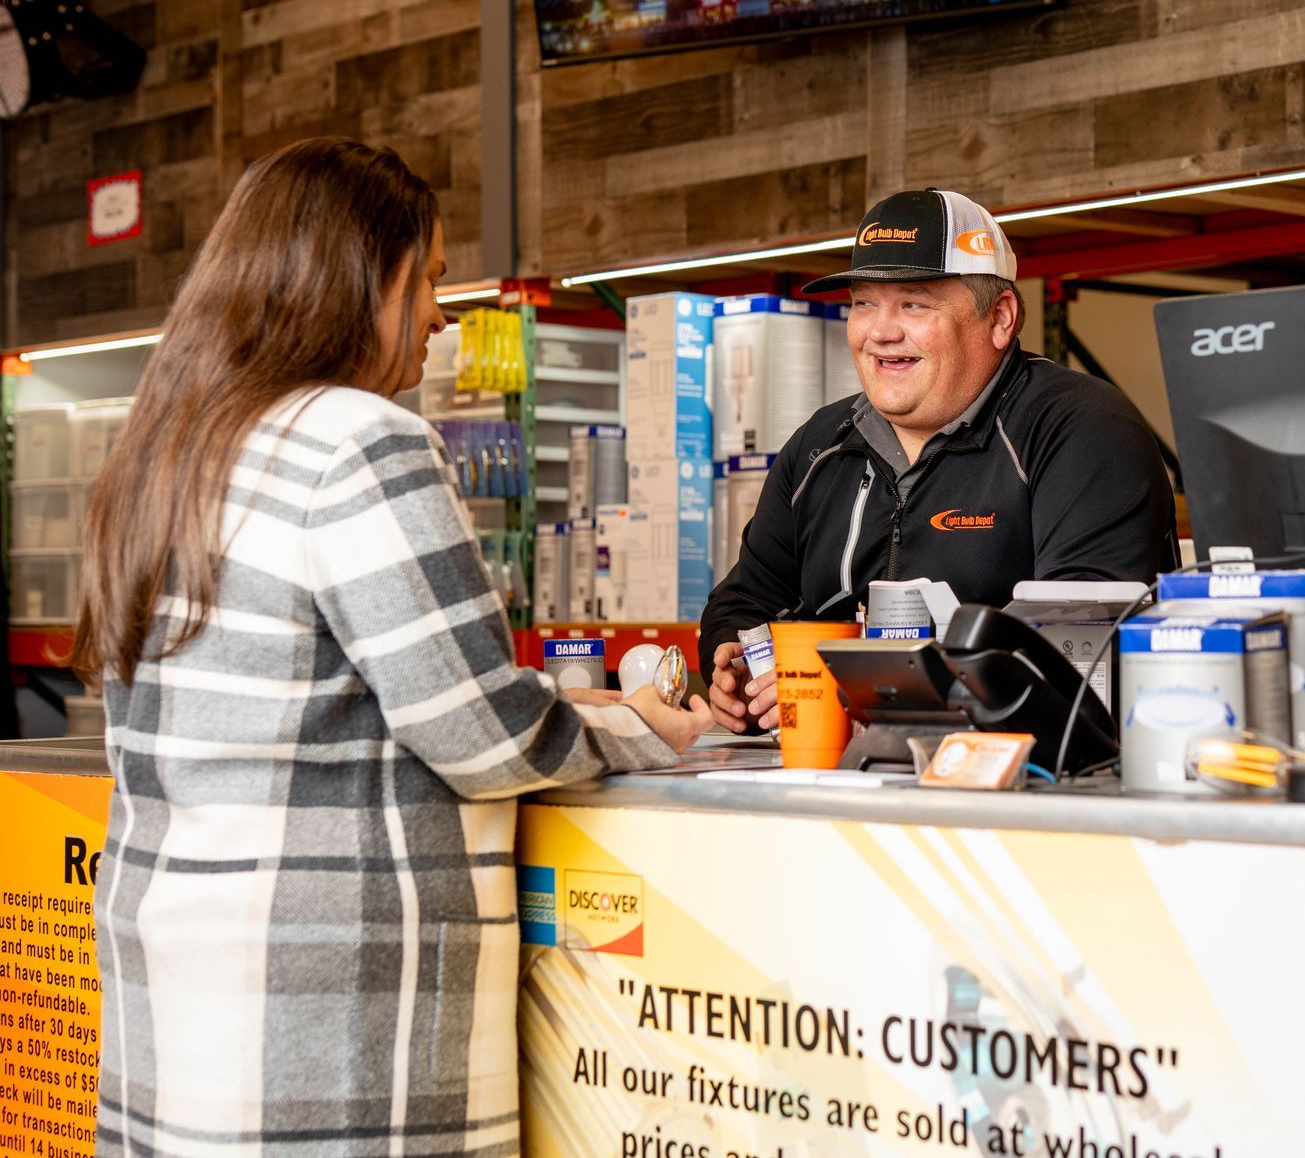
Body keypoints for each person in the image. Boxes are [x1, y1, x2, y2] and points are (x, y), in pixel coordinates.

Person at [71, 138, 712, 1155]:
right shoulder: (356, 436)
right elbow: (480, 733)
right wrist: (640, 727)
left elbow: (335, 700)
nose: (439, 317)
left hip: (173, 1005)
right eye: (430, 280)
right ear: (354, 278)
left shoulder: (168, 448)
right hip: (326, 1025)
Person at [701, 187, 1177, 732]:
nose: (879, 332)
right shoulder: (820, 445)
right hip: (847, 783)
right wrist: (733, 668)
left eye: (914, 303)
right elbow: (741, 605)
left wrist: (859, 685)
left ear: (1000, 318)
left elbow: (1078, 643)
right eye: (862, 303)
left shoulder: (1079, 428)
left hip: (1039, 787)